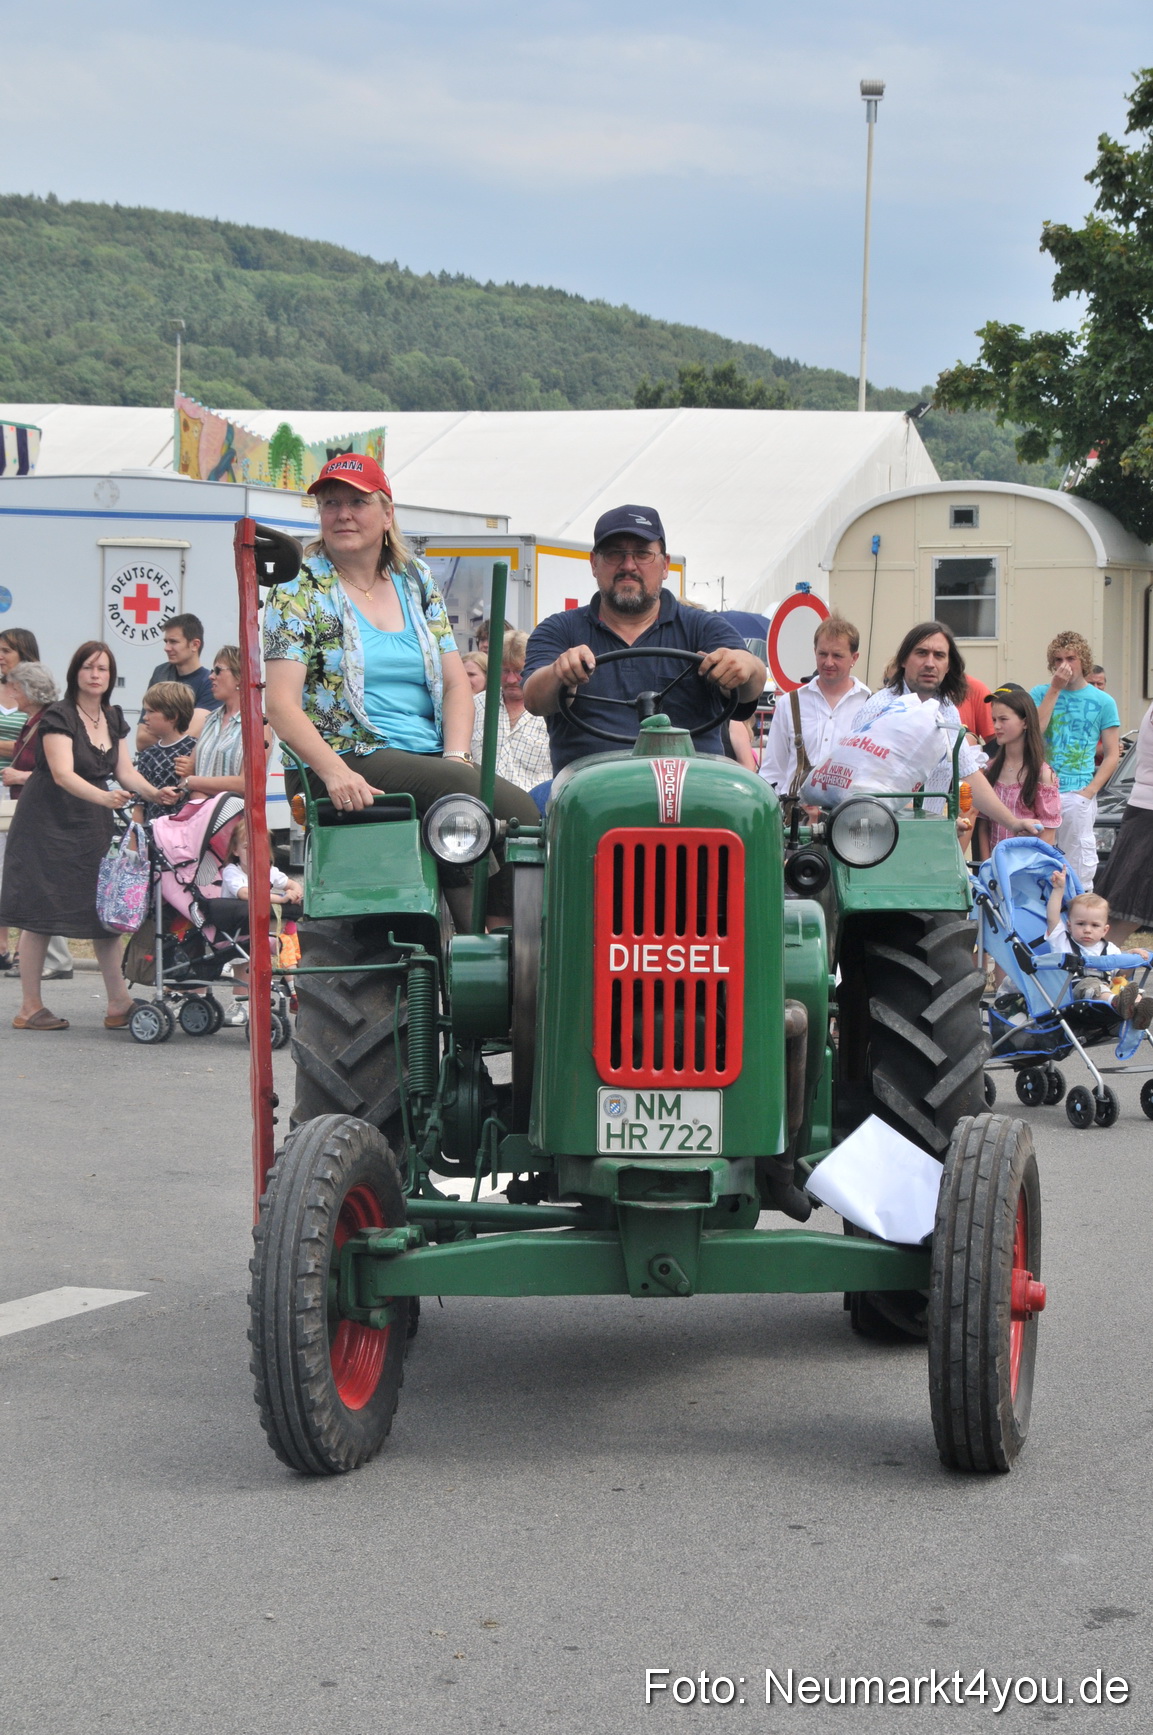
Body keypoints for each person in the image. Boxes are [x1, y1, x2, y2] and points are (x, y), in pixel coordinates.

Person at [262, 453, 538, 921]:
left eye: (357, 501)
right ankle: (502, 928)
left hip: (427, 760)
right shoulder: (298, 589)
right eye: (330, 503)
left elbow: (455, 684)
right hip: (341, 756)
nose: (343, 513)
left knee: (491, 812)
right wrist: (333, 772)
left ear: (388, 514)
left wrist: (456, 755)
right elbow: (281, 706)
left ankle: (502, 947)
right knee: (516, 809)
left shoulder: (416, 581)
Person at [0, 641, 174, 1031]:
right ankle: (29, 1007)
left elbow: (125, 770)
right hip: (47, 821)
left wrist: (153, 792)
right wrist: (105, 797)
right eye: (89, 668)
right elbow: (62, 774)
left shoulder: (112, 716)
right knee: (39, 913)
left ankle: (118, 1002)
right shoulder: (58, 716)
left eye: (104, 670)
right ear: (75, 672)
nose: (96, 675)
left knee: (105, 910)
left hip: (90, 822)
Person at [522, 504, 765, 773]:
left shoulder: (704, 629)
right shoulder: (560, 630)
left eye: (642, 554)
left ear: (665, 565)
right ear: (594, 563)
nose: (629, 565)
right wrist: (560, 674)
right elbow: (534, 699)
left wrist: (746, 666)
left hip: (692, 792)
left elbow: (749, 687)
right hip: (590, 798)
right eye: (615, 554)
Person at [847, 621, 1048, 837]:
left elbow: (968, 773)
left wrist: (1013, 822)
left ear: (949, 665)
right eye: (922, 653)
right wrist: (936, 824)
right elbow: (863, 788)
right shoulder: (878, 708)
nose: (930, 663)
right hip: (879, 842)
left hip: (927, 839)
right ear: (904, 659)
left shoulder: (947, 710)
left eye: (939, 655)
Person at [1030, 631, 1120, 888]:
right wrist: (1055, 690)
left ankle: (1077, 918)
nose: (1064, 665)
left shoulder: (1103, 701)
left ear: (1084, 661)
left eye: (1071, 658)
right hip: (1041, 788)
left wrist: (1089, 792)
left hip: (1077, 790)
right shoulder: (1040, 693)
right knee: (1040, 861)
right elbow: (1034, 733)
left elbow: (1112, 753)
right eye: (1057, 659)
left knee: (1079, 863)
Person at [758, 615, 870, 804]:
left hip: (847, 819)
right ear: (814, 652)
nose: (828, 662)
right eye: (823, 654)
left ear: (854, 658)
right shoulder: (789, 703)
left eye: (837, 655)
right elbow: (772, 770)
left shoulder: (869, 705)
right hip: (793, 817)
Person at [218, 816, 304, 1023]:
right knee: (243, 963)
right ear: (236, 851)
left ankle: (295, 990)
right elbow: (245, 893)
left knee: (287, 943)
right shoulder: (232, 871)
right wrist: (280, 898)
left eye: (260, 847)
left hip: (261, 929)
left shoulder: (269, 870)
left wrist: (295, 892)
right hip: (235, 930)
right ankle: (242, 1003)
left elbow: (291, 884)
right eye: (248, 847)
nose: (255, 852)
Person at [1045, 869, 1153, 1027]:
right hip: (1075, 992)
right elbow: (1052, 917)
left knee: (1127, 986)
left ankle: (1137, 1011)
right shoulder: (1062, 940)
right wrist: (1058, 889)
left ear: (1105, 930)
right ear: (1069, 925)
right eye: (1081, 924)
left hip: (1108, 988)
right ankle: (1117, 1003)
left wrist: (1129, 960)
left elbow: (1121, 974)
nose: (1087, 929)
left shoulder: (1110, 949)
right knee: (1091, 985)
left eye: (1095, 925)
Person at [973, 687, 1061, 856]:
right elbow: (983, 823)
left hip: (1028, 868)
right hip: (995, 869)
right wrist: (987, 865)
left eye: (1003, 719)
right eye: (994, 719)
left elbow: (1049, 833)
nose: (996, 726)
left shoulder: (1042, 773)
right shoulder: (990, 768)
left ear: (1025, 722)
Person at [1094, 697, 1153, 948]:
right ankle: (1098, 972)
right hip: (1147, 813)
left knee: (1130, 911)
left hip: (1143, 810)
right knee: (1128, 910)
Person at [170, 647, 266, 801]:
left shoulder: (259, 724)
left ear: (240, 677)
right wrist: (187, 773)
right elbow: (190, 771)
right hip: (201, 814)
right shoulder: (210, 719)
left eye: (217, 670)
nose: (211, 676)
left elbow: (247, 783)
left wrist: (193, 782)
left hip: (234, 819)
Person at [471, 630, 553, 793]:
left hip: (533, 809)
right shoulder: (477, 705)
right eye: (504, 671)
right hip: (483, 807)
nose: (511, 679)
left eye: (518, 672)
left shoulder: (550, 708)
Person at [134, 613, 218, 751]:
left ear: (195, 645)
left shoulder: (209, 682)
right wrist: (171, 736)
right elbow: (141, 739)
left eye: (173, 642)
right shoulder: (161, 673)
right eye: (165, 641)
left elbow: (187, 740)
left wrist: (162, 736)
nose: (166, 648)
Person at [135, 682, 196, 821]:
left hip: (185, 833)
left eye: (151, 711)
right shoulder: (147, 755)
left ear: (173, 716)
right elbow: (139, 805)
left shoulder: (194, 749)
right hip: (152, 835)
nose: (145, 717)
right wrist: (134, 841)